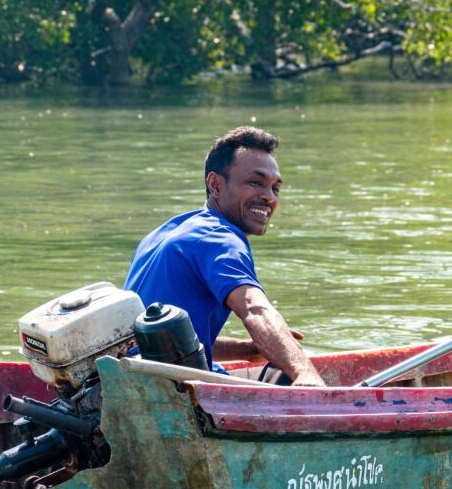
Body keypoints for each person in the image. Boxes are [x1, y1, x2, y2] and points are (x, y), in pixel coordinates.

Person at [124, 126, 326, 387]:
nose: (269, 197)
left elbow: (160, 342)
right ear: (215, 185)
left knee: (279, 361)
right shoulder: (219, 239)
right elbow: (255, 308)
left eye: (275, 188)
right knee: (292, 372)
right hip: (168, 392)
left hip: (130, 378)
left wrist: (246, 349)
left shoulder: (163, 234)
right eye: (255, 182)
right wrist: (305, 375)